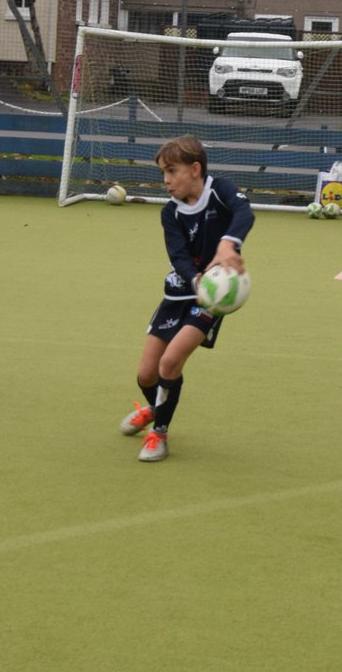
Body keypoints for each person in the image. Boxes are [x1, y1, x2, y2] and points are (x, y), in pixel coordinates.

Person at [118, 135, 255, 461]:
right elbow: (178, 256)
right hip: (178, 293)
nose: (166, 180)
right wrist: (198, 280)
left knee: (170, 363)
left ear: (195, 169)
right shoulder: (171, 213)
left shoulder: (220, 190)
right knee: (146, 374)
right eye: (163, 173)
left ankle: (159, 434)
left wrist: (228, 245)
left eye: (172, 171)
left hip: (210, 301)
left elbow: (244, 212)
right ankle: (155, 407)